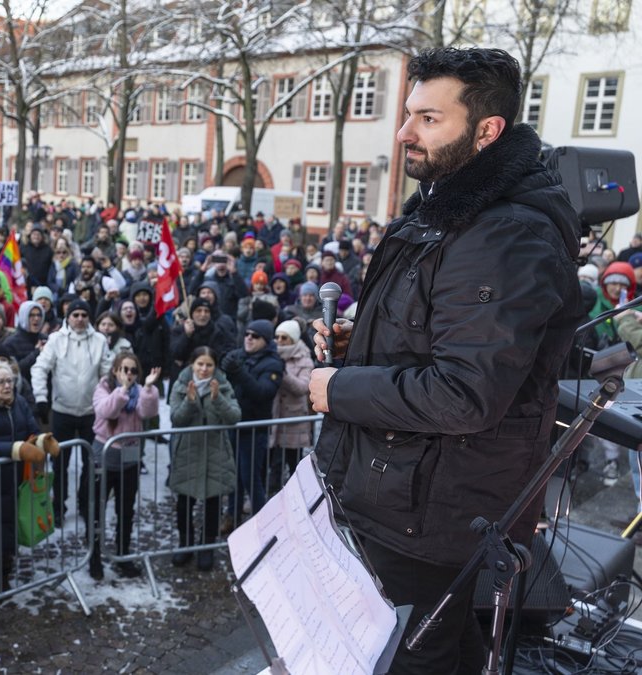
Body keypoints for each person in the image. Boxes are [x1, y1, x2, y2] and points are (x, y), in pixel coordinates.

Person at [309, 48, 583, 674]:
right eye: (408, 114)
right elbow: (440, 334)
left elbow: (464, 392)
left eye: (429, 119)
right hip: (401, 496)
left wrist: (339, 387)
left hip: (431, 519)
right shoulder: (451, 203)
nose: (405, 132)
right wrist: (364, 343)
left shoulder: (506, 233)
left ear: (488, 131)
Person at [0, 361, 56, 597]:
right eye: (1, 382)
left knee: (9, 529)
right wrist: (16, 449)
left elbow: (31, 429)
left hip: (14, 479)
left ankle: (4, 576)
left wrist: (42, 440)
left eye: (10, 381)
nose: (7, 385)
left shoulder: (20, 403)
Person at [30, 298, 112, 528]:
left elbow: (107, 373)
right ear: (68, 317)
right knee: (59, 464)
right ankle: (58, 508)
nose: (79, 319)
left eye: (84, 315)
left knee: (91, 462)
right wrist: (41, 398)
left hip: (91, 412)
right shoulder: (56, 339)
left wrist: (110, 400)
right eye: (75, 315)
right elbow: (39, 368)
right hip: (62, 410)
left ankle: (86, 503)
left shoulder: (99, 340)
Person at [168, 347, 240, 571]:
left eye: (208, 365)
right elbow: (176, 419)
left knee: (212, 505)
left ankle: (206, 547)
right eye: (200, 364)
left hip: (215, 452)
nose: (204, 369)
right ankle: (186, 544)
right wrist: (190, 403)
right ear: (192, 364)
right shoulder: (181, 385)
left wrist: (217, 399)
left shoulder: (223, 385)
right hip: (188, 452)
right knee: (184, 504)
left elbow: (234, 417)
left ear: (214, 367)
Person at [91, 352, 160, 579]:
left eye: (133, 370)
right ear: (115, 371)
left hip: (130, 457)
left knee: (126, 509)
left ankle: (122, 554)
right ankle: (95, 556)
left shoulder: (140, 391)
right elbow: (106, 411)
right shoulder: (103, 388)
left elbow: (148, 412)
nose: (129, 374)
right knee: (98, 509)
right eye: (124, 369)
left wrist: (149, 389)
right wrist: (121, 391)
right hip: (105, 454)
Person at [220, 319, 284, 522]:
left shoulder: (273, 363)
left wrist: (239, 372)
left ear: (265, 340)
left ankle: (262, 521)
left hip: (254, 430)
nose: (249, 338)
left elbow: (263, 393)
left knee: (250, 478)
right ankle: (232, 514)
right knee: (232, 476)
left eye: (255, 336)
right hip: (234, 425)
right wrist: (225, 366)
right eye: (247, 334)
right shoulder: (240, 355)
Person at [269, 320, 314, 488]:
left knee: (294, 465)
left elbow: (302, 387)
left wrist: (283, 375)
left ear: (293, 339)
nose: (279, 341)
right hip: (274, 418)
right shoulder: (271, 354)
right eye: (277, 337)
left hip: (293, 420)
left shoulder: (305, 360)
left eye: (284, 338)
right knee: (274, 465)